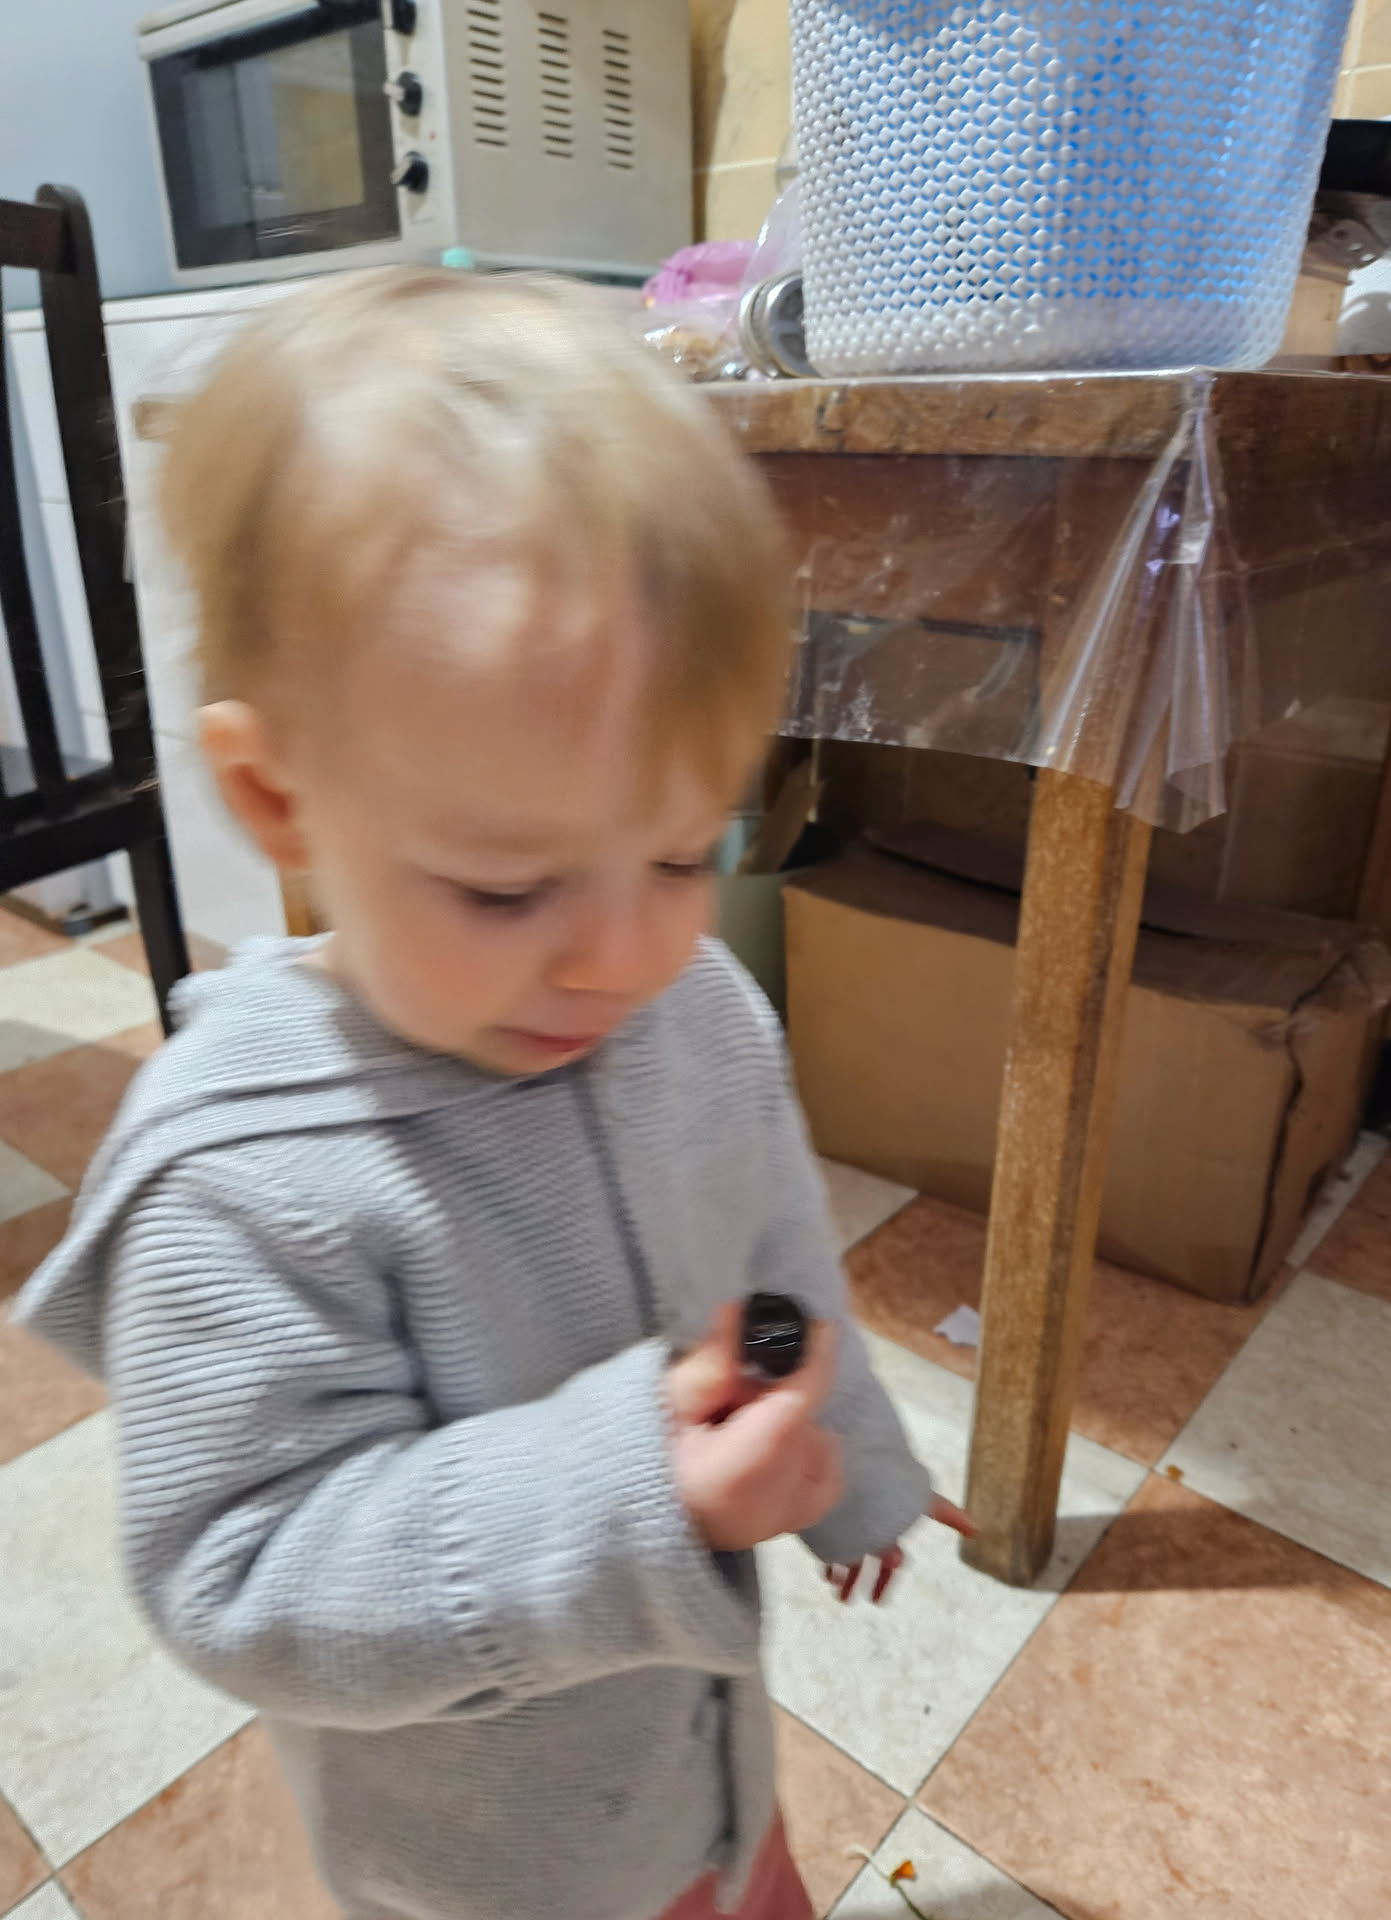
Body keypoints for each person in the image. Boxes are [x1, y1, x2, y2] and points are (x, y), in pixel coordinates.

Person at [16, 269, 971, 1920]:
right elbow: (239, 1578)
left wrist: (858, 1462)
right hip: (492, 1867)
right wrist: (628, 1497)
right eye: (506, 887)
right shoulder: (240, 1175)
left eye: (681, 851)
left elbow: (775, 1275)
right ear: (277, 794)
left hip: (706, 1778)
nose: (624, 958)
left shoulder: (699, 1017)